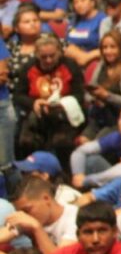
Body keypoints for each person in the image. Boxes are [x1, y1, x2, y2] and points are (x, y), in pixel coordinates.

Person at [13, 34, 85, 168]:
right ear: (36, 54)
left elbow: (79, 95)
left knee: (61, 143)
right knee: (26, 141)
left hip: (64, 116)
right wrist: (33, 103)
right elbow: (18, 95)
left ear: (59, 52)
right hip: (37, 115)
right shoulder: (29, 67)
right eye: (43, 57)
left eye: (52, 56)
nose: (48, 60)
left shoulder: (70, 65)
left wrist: (61, 104)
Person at [85, 30, 121, 137]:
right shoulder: (101, 65)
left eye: (112, 47)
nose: (108, 51)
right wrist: (94, 99)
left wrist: (108, 96)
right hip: (99, 117)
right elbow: (89, 92)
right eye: (105, 48)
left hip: (118, 121)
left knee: (95, 145)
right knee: (82, 141)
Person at [7, 176, 78, 254]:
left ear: (46, 199)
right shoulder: (32, 218)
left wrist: (37, 228)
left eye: (27, 210)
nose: (24, 216)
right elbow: (6, 232)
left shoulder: (75, 219)